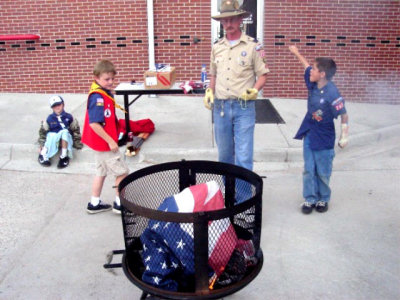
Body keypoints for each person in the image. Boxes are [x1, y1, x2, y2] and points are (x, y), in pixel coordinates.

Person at [204, 0, 269, 173]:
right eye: (224, 20)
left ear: (240, 19)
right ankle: (229, 195)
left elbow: (263, 74)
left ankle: (243, 198)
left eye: (232, 19)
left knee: (243, 157)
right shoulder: (217, 47)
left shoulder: (253, 46)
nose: (228, 24)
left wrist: (255, 90)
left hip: (244, 107)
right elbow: (213, 73)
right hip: (221, 108)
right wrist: (210, 90)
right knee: (224, 157)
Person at [289, 45, 349, 214]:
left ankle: (323, 198)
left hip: (324, 138)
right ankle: (310, 198)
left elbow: (344, 115)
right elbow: (306, 66)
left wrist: (344, 136)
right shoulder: (313, 84)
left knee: (322, 171)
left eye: (314, 70)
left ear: (322, 74)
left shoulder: (332, 93)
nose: (310, 72)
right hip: (310, 133)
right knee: (309, 169)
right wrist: (296, 53)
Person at [81, 60, 129, 214]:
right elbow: (94, 124)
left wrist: (109, 92)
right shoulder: (97, 99)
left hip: (100, 145)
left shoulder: (102, 93)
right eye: (106, 79)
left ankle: (94, 203)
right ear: (96, 78)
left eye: (112, 79)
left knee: (101, 172)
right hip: (105, 144)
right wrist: (110, 141)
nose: (110, 82)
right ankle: (119, 204)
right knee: (122, 173)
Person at [38, 95, 83, 168]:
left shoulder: (69, 117)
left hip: (65, 141)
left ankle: (64, 156)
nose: (57, 107)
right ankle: (43, 154)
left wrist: (77, 143)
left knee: (64, 132)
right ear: (52, 108)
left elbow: (75, 130)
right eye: (54, 106)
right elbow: (43, 133)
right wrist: (41, 144)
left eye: (58, 104)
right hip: (53, 141)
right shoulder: (49, 118)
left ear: (63, 104)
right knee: (50, 134)